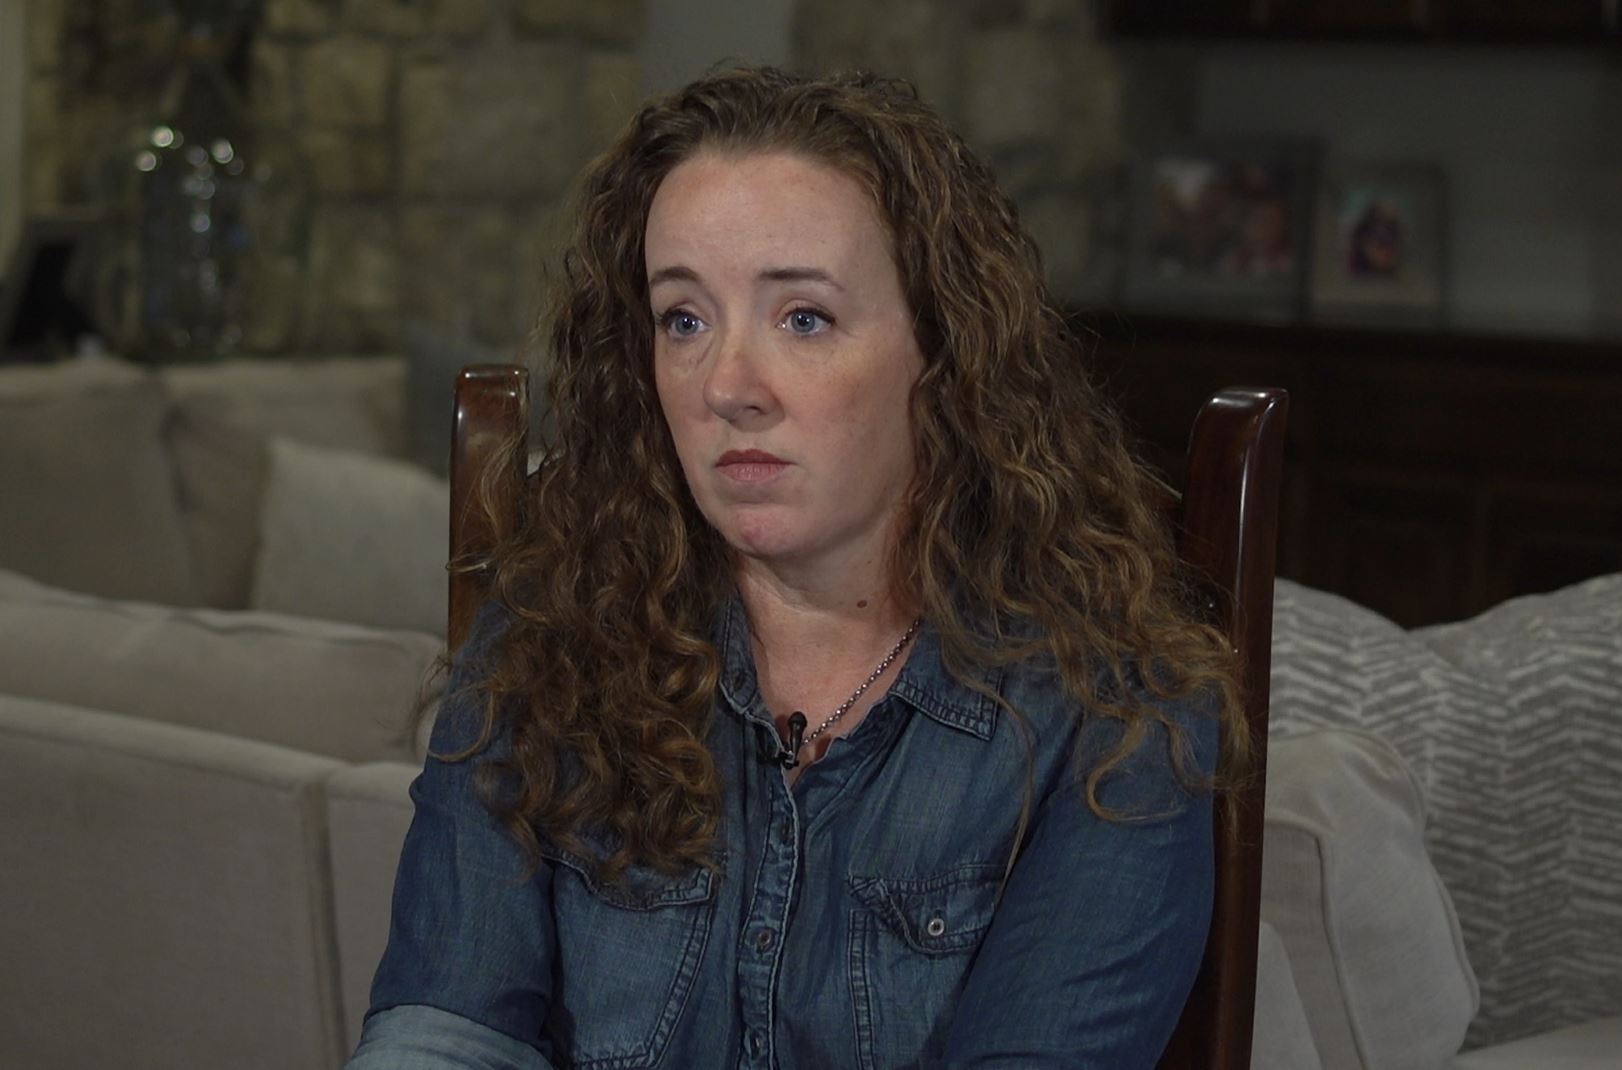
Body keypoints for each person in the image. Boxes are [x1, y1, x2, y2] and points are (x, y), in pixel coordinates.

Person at [348, 66, 1247, 1069]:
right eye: (682, 319)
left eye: (803, 318)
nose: (728, 386)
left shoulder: (1114, 708)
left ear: (939, 351)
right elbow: (443, 1029)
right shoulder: (548, 627)